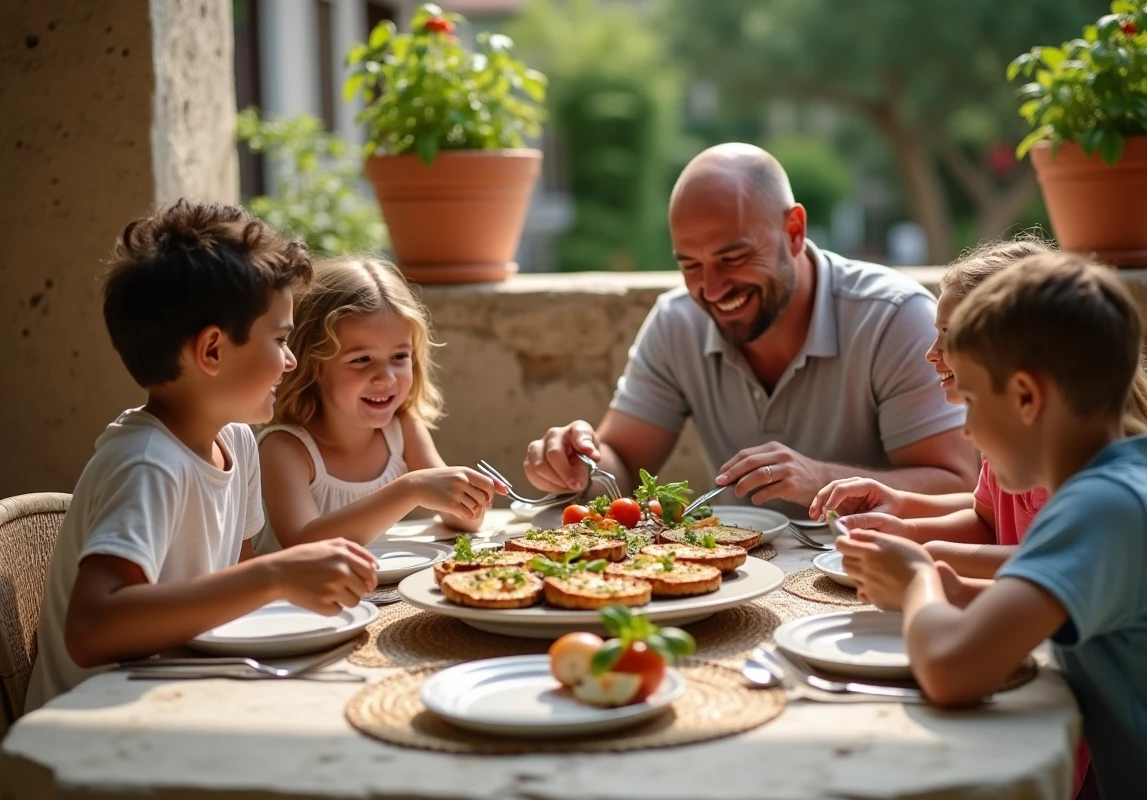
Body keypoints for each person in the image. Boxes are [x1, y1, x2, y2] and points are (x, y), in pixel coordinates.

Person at [838, 255, 1147, 798]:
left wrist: (917, 581)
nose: (967, 429)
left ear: (1028, 398)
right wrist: (956, 590)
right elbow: (1067, 608)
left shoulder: (1106, 507)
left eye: (974, 401)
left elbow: (952, 674)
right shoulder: (1120, 486)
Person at [26, 201, 378, 712]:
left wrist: (289, 587)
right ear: (212, 351)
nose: (291, 359)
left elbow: (234, 599)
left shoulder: (236, 441)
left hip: (185, 692)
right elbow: (92, 629)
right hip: (99, 731)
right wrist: (277, 577)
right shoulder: (147, 464)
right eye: (280, 339)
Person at [523, 143, 976, 513]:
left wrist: (820, 478)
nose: (713, 289)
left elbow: (958, 485)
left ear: (794, 231)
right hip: (735, 576)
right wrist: (580, 467)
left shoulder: (893, 316)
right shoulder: (676, 321)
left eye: (733, 258)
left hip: (865, 582)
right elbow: (621, 464)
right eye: (691, 265)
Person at [811, 238, 1147, 579]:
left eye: (951, 335)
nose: (931, 353)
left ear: (1024, 385)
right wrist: (905, 516)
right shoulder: (1016, 440)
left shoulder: (1099, 475)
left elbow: (1055, 563)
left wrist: (925, 559)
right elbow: (989, 520)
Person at [256, 256, 501, 553]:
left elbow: (466, 523)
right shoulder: (286, 448)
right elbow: (303, 544)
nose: (385, 378)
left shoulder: (403, 430)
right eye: (361, 360)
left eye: (399, 357)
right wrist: (410, 490)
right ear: (312, 365)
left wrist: (470, 496)